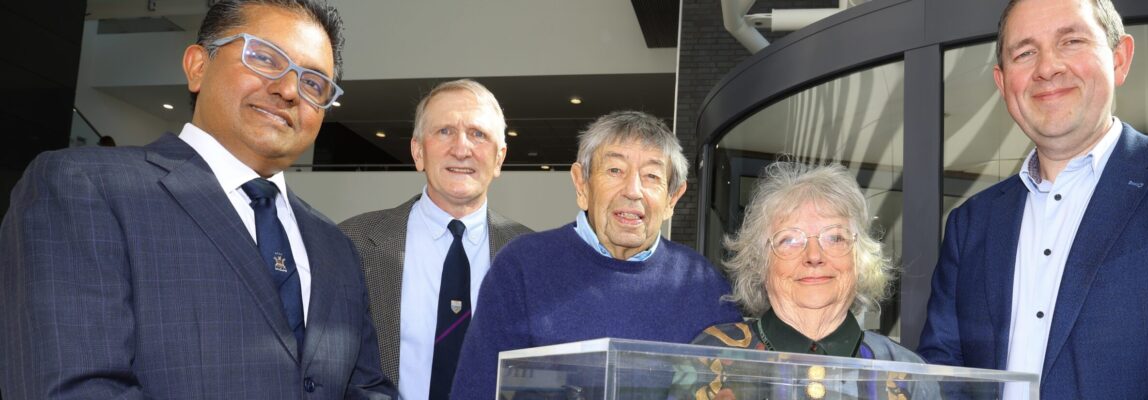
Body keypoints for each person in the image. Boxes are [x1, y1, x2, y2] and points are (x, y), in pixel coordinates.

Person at [0, 0, 395, 398]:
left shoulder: (335, 244)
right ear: (197, 66)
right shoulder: (86, 189)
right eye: (264, 57)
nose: (290, 90)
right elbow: (72, 388)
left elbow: (365, 386)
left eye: (313, 83)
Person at [917, 0, 1148, 398]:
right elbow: (943, 374)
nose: (1047, 67)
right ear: (1002, 82)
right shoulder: (970, 224)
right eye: (1025, 53)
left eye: (1071, 41)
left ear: (1120, 59)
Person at [450, 111, 742, 399]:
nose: (633, 191)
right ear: (581, 183)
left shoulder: (704, 286)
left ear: (672, 198)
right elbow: (476, 389)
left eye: (652, 175)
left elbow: (734, 386)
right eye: (615, 170)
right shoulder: (521, 268)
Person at [338, 79, 532, 399]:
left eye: (478, 134)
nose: (461, 148)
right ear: (418, 152)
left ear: (499, 158)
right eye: (444, 131)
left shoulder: (531, 256)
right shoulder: (352, 243)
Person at [690, 162, 933, 399]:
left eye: (835, 238)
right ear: (760, 263)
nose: (814, 256)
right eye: (789, 240)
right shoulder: (711, 358)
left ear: (860, 258)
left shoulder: (907, 374)